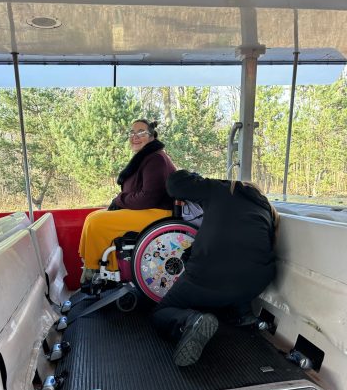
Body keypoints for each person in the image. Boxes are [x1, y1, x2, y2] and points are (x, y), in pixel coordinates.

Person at [152, 170, 279, 367]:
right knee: (236, 272)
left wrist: (193, 175)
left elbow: (174, 184)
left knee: (161, 313)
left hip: (208, 278)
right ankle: (242, 315)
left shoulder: (222, 188)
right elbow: (247, 245)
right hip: (253, 284)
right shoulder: (267, 210)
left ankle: (189, 321)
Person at [78, 119, 176, 283]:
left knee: (96, 221)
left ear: (152, 136)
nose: (135, 136)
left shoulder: (156, 160)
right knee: (92, 217)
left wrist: (120, 199)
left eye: (141, 132)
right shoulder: (146, 157)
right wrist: (122, 200)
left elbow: (148, 198)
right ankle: (91, 265)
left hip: (159, 214)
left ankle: (97, 270)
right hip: (149, 210)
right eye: (132, 132)